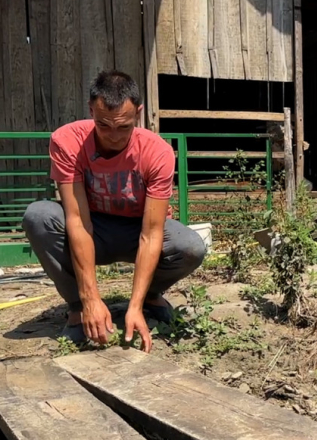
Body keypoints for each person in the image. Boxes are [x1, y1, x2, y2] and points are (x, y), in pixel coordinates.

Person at [23, 71, 206, 353]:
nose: (113, 136)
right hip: (92, 228)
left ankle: (150, 297)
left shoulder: (157, 152)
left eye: (123, 127)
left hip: (137, 230)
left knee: (190, 246)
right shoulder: (67, 141)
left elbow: (152, 232)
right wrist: (90, 299)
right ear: (90, 110)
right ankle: (76, 309)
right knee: (39, 216)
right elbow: (77, 220)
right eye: (103, 125)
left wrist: (134, 307)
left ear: (138, 113)